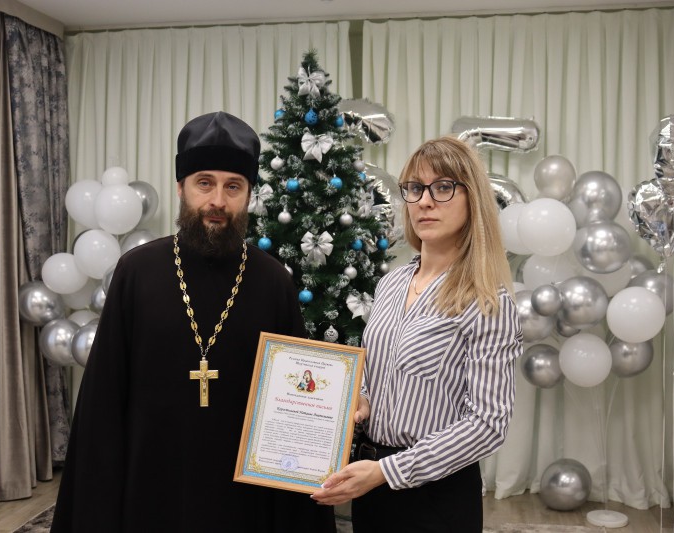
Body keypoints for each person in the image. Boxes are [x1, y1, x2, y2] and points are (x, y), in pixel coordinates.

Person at [52, 112, 336, 532]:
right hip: (149, 488)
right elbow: (103, 402)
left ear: (249, 194)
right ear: (181, 187)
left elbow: (297, 405)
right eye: (205, 183)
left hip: (245, 499)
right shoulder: (137, 272)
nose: (218, 200)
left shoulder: (273, 281)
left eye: (233, 186)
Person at [311, 136, 523, 532]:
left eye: (442, 188)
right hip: (370, 483)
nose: (424, 201)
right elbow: (378, 374)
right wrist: (363, 399)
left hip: (435, 495)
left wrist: (388, 471)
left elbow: (488, 424)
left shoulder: (487, 301)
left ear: (473, 199)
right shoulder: (390, 284)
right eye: (414, 188)